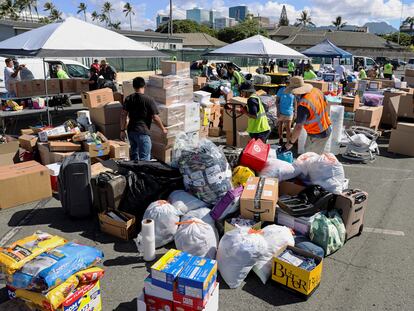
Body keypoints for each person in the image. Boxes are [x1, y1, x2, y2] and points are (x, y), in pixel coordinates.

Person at [120, 77, 168, 161]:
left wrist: (122, 130)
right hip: (143, 132)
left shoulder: (128, 98)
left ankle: (134, 173)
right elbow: (155, 117)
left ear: (134, 87)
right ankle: (141, 173)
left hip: (131, 131)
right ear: (144, 86)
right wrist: (163, 129)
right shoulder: (149, 100)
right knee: (144, 159)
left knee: (134, 156)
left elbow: (123, 115)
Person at [283, 76, 332, 154]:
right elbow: (326, 104)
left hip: (318, 134)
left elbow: (299, 127)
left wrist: (290, 143)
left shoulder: (303, 104)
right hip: (324, 128)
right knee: (309, 155)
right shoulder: (316, 91)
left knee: (311, 160)